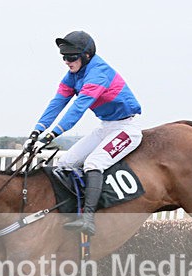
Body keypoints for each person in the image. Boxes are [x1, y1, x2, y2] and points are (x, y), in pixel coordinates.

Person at [26, 30, 142, 235]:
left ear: (86, 55)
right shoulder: (73, 75)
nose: (66, 61)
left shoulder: (99, 73)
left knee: (93, 163)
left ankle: (88, 219)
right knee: (65, 163)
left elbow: (78, 107)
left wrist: (54, 134)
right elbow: (58, 102)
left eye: (71, 56)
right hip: (106, 126)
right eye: (64, 56)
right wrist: (37, 130)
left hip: (126, 128)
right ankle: (69, 212)